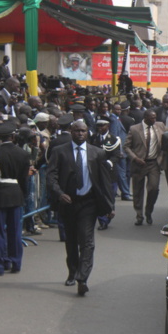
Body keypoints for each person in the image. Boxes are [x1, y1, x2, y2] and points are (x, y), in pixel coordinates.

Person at [46, 121, 114, 296]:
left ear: (87, 132)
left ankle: (82, 278)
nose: (80, 134)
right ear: (71, 131)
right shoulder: (59, 151)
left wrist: (110, 205)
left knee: (87, 241)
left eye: (83, 131)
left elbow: (105, 180)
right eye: (76, 131)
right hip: (68, 202)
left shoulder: (97, 153)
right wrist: (59, 193)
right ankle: (73, 271)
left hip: (88, 202)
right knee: (71, 241)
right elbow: (51, 176)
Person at [0, 121, 29, 276]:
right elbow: (24, 179)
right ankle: (15, 262)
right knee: (15, 232)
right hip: (16, 193)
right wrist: (24, 194)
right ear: (13, 136)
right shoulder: (22, 154)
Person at [124, 110, 168, 225]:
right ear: (145, 118)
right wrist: (135, 158)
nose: (154, 120)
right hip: (139, 164)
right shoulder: (134, 129)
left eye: (155, 117)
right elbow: (126, 147)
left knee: (154, 188)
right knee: (138, 192)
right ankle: (139, 215)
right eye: (152, 118)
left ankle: (148, 211)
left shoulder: (159, 126)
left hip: (154, 163)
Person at [89, 117, 121, 230]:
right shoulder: (93, 138)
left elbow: (117, 154)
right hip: (96, 172)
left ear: (108, 126)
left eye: (102, 125)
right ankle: (102, 220)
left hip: (109, 172)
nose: (100, 128)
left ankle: (108, 215)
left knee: (110, 195)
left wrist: (109, 162)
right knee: (98, 195)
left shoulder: (113, 139)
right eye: (98, 126)